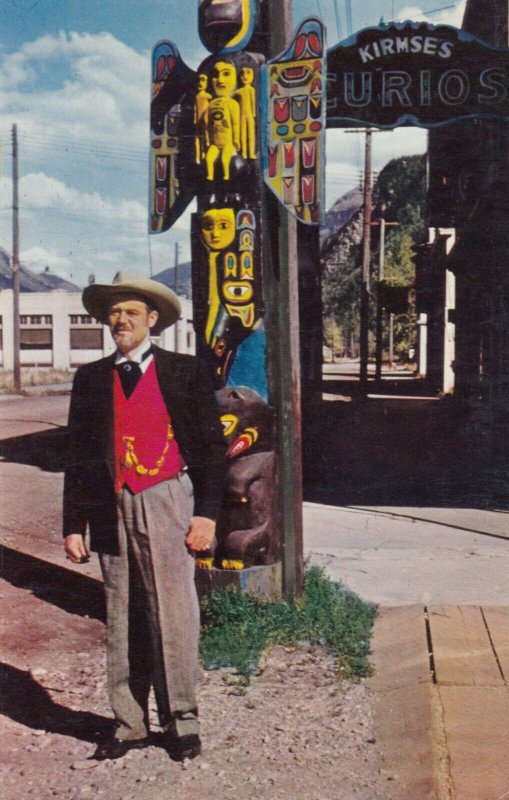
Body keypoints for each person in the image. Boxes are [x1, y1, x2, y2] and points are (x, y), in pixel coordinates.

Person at [63, 272, 226, 762]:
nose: (121, 320)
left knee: (174, 612)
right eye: (114, 312)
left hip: (167, 499)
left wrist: (207, 515)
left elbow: (212, 450)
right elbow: (79, 455)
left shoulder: (186, 372)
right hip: (111, 504)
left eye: (131, 312)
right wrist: (74, 524)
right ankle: (129, 723)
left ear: (152, 320)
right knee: (120, 612)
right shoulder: (91, 378)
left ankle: (182, 721)